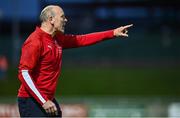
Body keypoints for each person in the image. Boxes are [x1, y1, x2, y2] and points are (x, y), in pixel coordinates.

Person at [17, 5, 133, 117]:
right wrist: (43, 101)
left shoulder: (57, 39)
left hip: (47, 100)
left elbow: (82, 39)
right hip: (31, 100)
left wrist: (113, 33)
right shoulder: (35, 41)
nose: (66, 20)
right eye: (62, 16)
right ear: (51, 19)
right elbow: (24, 73)